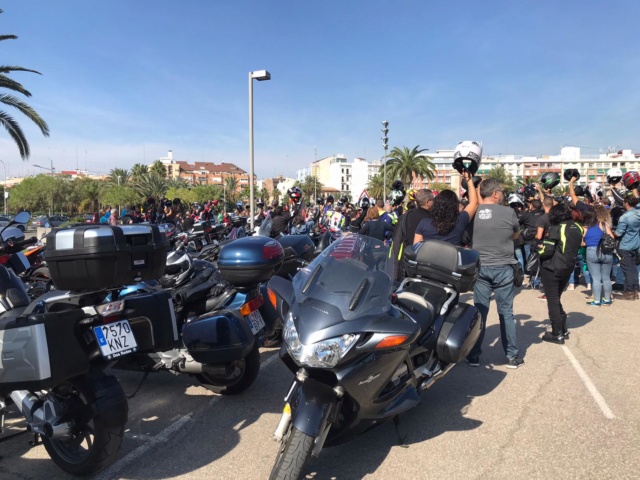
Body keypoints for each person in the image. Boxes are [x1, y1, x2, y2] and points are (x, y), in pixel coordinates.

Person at [466, 178, 523, 369]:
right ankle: (512, 356)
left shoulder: (474, 211)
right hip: (503, 266)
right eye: (502, 193)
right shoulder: (509, 212)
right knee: (506, 313)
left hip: (480, 267)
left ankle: (474, 355)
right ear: (495, 193)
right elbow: (515, 235)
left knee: (480, 313)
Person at [538, 203, 585, 344]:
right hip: (568, 266)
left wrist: (537, 249)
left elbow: (546, 251)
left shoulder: (556, 228)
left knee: (552, 300)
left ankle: (557, 333)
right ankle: (562, 329)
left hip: (552, 267)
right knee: (556, 298)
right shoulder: (577, 227)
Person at [413, 171, 478, 246]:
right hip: (453, 257)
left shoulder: (424, 223)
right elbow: (474, 202)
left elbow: (416, 247)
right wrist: (468, 179)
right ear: (455, 205)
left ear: (436, 204)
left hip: (429, 257)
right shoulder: (460, 220)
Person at [389, 189, 434, 281]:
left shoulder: (405, 217)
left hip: (406, 262)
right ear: (427, 202)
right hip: (425, 264)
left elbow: (396, 240)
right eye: (433, 200)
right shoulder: (431, 219)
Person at [583, 207, 614, 306]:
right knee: (606, 277)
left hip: (591, 251)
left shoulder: (585, 227)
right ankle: (607, 299)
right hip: (606, 252)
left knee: (596, 278)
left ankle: (596, 301)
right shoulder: (604, 224)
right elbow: (612, 238)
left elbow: (582, 243)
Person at [614, 194, 640, 300]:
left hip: (626, 245)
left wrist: (612, 233)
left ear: (626, 203)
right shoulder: (638, 214)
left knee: (627, 269)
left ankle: (629, 292)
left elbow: (619, 233)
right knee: (633, 269)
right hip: (636, 244)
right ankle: (635, 290)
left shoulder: (624, 217)